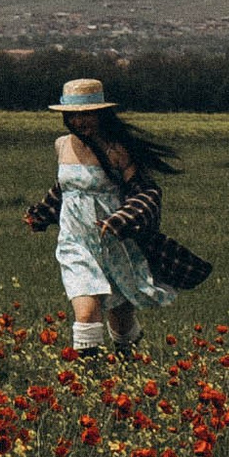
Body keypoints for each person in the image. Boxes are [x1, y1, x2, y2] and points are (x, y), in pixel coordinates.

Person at [23, 75, 211, 356]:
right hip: (75, 242)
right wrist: (42, 214)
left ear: (101, 114)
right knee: (86, 312)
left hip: (116, 245)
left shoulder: (118, 150)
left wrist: (120, 219)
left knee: (121, 317)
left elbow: (146, 193)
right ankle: (88, 375)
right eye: (73, 116)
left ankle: (127, 356)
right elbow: (65, 190)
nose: (80, 122)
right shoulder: (62, 145)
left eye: (87, 115)